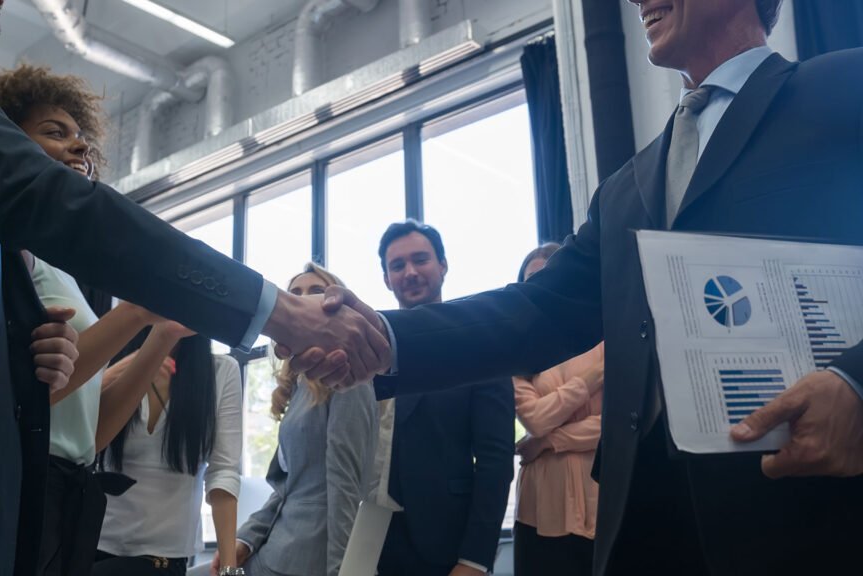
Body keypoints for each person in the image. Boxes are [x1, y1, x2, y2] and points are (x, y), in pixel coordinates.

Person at [294, 1, 863, 574]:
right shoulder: (625, 188)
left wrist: (855, 382)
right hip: (648, 528)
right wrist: (381, 334)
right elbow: (537, 311)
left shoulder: (842, 89)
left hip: (813, 514)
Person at [0, 2, 388, 573]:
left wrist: (40, 362)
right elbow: (44, 200)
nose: (79, 149)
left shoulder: (35, 268)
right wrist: (274, 309)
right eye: (54, 134)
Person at [0, 63, 197, 576]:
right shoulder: (5, 252)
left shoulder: (63, 272)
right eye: (54, 132)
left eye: (82, 137)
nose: (79, 147)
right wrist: (134, 312)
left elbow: (89, 434)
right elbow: (23, 394)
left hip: (70, 490)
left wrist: (159, 331)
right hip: (17, 481)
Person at [374, 221, 514, 576]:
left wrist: (475, 559)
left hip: (445, 544)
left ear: (443, 266)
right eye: (397, 265)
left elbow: (495, 460)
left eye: (420, 260)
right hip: (367, 540)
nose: (409, 272)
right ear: (387, 279)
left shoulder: (480, 344)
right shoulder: (371, 354)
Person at [236, 264, 378, 576]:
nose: (304, 298)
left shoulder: (347, 376)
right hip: (273, 552)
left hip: (309, 560)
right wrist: (246, 538)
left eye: (317, 291)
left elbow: (346, 484)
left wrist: (344, 571)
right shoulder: (300, 388)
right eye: (295, 294)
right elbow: (287, 488)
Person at [93, 330, 241, 576]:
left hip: (164, 558)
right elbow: (77, 439)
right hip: (94, 544)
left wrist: (229, 569)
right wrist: (108, 378)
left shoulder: (221, 371)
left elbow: (223, 471)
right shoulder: (111, 357)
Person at [512, 245, 602, 576]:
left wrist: (550, 441)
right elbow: (534, 420)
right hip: (539, 507)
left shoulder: (607, 337)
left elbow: (618, 424)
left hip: (601, 499)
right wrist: (593, 378)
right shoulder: (517, 352)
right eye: (534, 279)